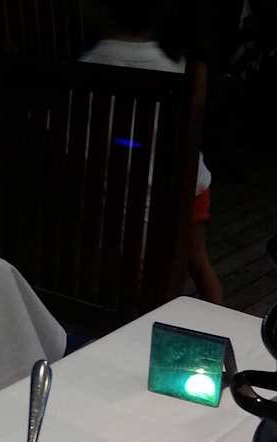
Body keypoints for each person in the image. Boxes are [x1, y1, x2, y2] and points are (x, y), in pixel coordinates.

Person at [81, 0, 222, 304]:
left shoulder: (87, 67)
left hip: (123, 200)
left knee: (132, 279)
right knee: (198, 263)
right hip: (189, 188)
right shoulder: (175, 65)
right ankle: (221, 319)